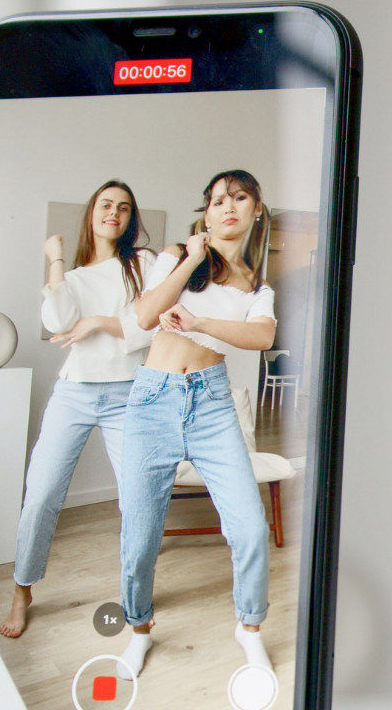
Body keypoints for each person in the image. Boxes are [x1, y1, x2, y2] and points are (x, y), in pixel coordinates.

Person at [114, 170, 277, 681]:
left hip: (211, 405)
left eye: (239, 198)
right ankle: (139, 631)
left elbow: (262, 336)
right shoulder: (176, 257)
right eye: (216, 201)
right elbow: (144, 316)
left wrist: (201, 323)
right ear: (205, 213)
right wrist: (189, 258)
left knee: (250, 529)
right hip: (152, 401)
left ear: (255, 210)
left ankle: (249, 631)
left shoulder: (257, 284)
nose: (227, 207)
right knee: (138, 539)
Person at [1, 180, 156, 638]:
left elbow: (147, 327)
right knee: (42, 494)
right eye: (106, 205)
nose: (115, 213)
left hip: (127, 394)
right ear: (92, 213)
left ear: (131, 218)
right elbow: (57, 321)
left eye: (124, 207)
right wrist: (55, 259)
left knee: (137, 500)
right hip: (74, 393)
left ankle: (136, 597)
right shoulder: (70, 277)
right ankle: (22, 589)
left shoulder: (143, 264)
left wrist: (99, 324)